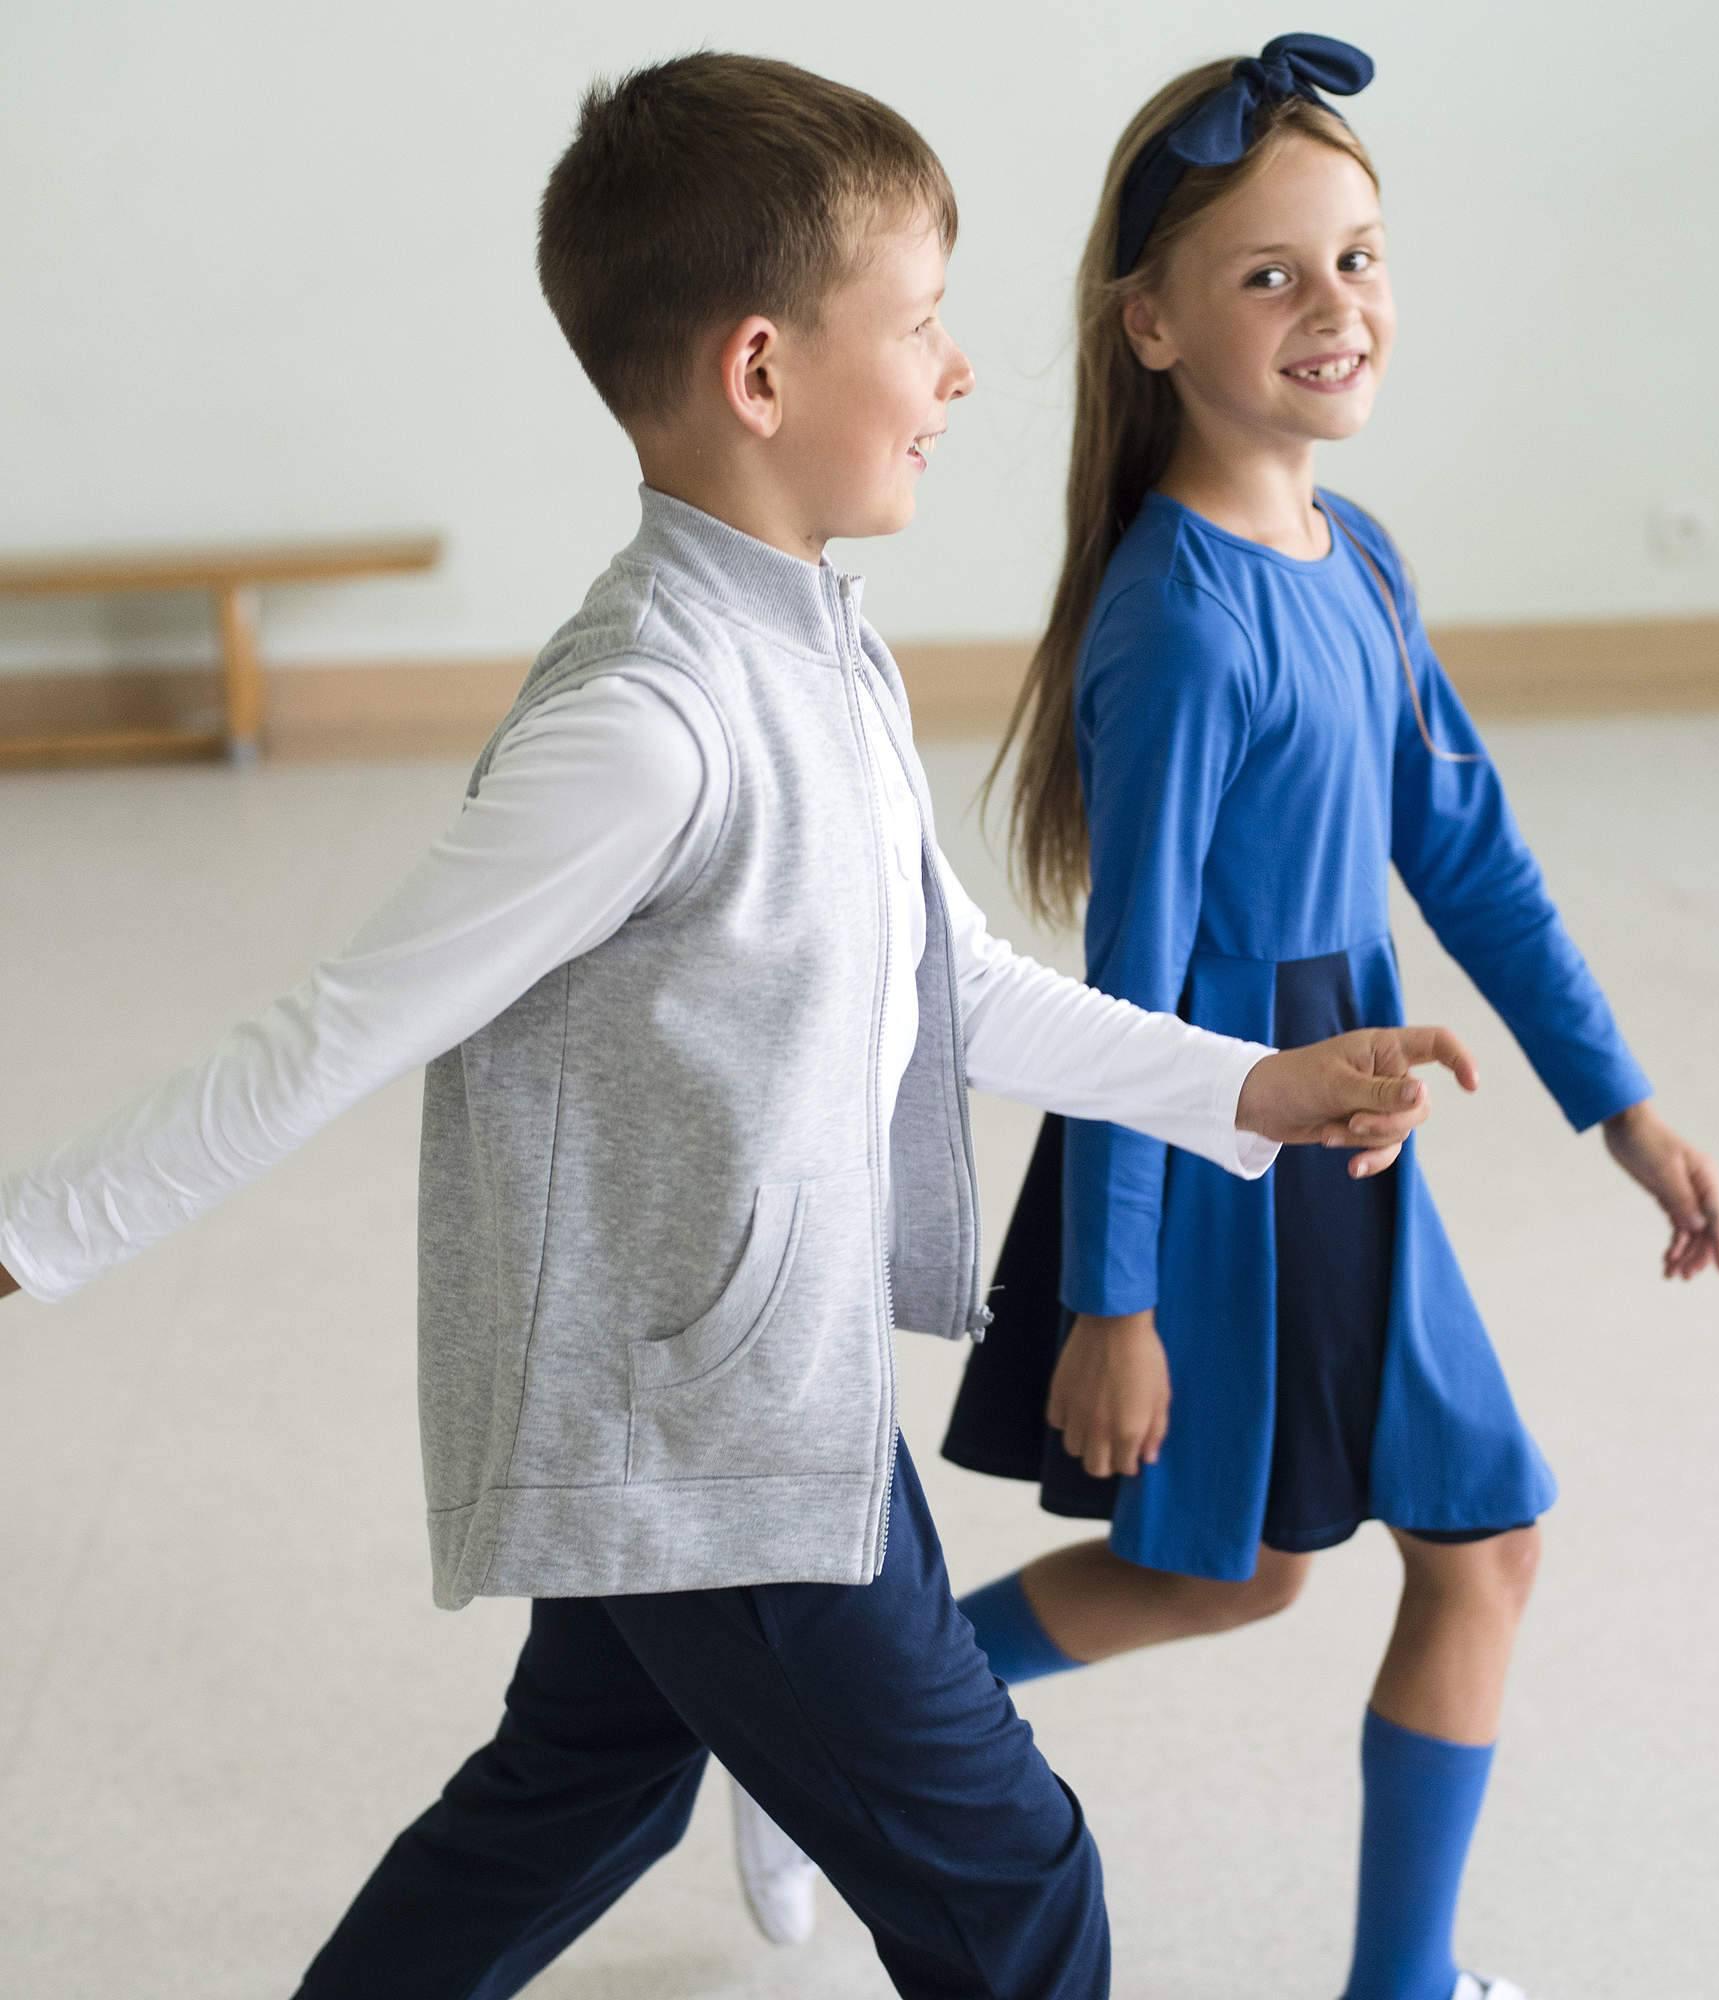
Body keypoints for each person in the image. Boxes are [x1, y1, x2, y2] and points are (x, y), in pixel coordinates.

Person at [0, 51, 1485, 2000]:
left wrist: (1254, 1088)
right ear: (764, 375)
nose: (960, 372)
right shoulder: (647, 725)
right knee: (1016, 1884)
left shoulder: (819, 643)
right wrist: (29, 1235)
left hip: (733, 1397)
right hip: (714, 1434)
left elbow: (948, 982)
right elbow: (337, 1025)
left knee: (587, 1788)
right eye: (924, 324)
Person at [935, 34, 1719, 2000]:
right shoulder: (1183, 618)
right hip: (1218, 1139)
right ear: (1149, 323)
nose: (1335, 307)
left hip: (1349, 1130)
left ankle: (1399, 1982)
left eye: (1358, 258)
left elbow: (1469, 851)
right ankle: (848, 1737)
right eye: (1269, 273)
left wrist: (1614, 1102)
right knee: (1230, 1570)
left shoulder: (1353, 560)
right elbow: (1124, 998)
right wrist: (1111, 1305)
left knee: (1462, 1548)